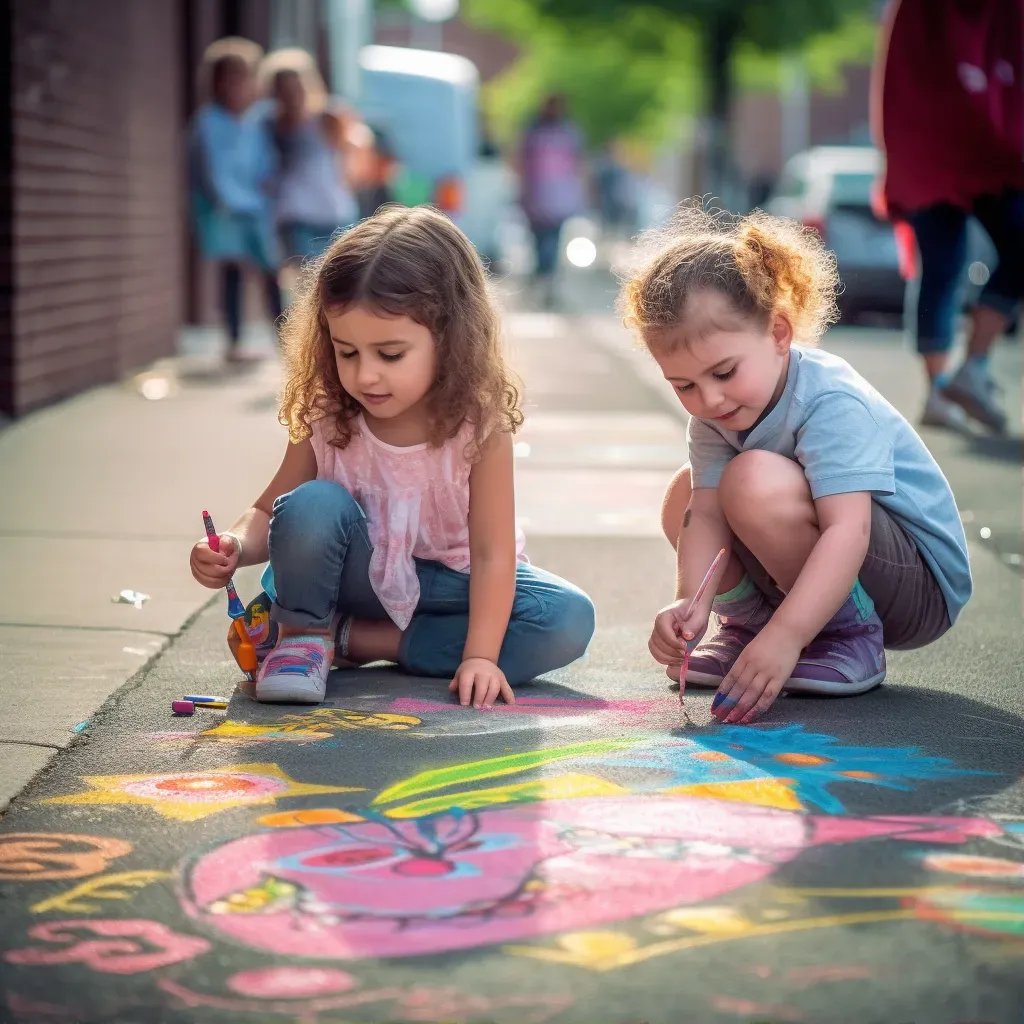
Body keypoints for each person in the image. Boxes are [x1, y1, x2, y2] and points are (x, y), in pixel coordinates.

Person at [189, 206, 596, 708]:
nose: (365, 377)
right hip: (351, 577)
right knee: (312, 504)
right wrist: (230, 543)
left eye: (390, 354)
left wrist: (482, 657)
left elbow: (493, 555)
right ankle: (299, 638)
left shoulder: (479, 427)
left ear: (449, 339)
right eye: (347, 352)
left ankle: (351, 641)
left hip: (447, 581)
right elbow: (269, 512)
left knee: (566, 619)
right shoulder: (329, 413)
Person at [618, 204, 971, 724]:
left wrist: (788, 639)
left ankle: (848, 636)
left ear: (779, 333)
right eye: (684, 385)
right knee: (689, 495)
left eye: (724, 372)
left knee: (751, 479)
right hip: (831, 564)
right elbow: (708, 516)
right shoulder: (717, 418)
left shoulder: (829, 401)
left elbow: (846, 532)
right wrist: (688, 603)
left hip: (917, 585)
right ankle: (747, 629)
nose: (710, 400)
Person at [872, 0, 1023, 433]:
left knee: (944, 263)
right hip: (941, 146)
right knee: (943, 261)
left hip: (975, 147)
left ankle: (963, 373)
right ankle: (946, 384)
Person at [189, 38, 283, 362]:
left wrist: (266, 185)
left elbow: (265, 162)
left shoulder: (256, 122)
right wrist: (230, 200)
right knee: (232, 271)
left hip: (256, 208)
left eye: (245, 78)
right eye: (231, 78)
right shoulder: (208, 122)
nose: (239, 86)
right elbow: (212, 171)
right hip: (227, 210)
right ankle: (234, 341)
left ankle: (286, 339)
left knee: (270, 271)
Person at [260, 49, 363, 263]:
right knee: (302, 277)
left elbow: (351, 155)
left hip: (333, 212)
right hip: (295, 214)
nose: (292, 96)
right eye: (285, 91)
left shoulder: (328, 117)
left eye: (296, 88)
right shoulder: (269, 124)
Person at [518, 94, 585, 306]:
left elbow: (577, 165)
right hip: (540, 198)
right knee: (541, 241)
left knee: (551, 242)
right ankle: (544, 278)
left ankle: (545, 280)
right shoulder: (537, 133)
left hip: (555, 200)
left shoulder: (565, 133)